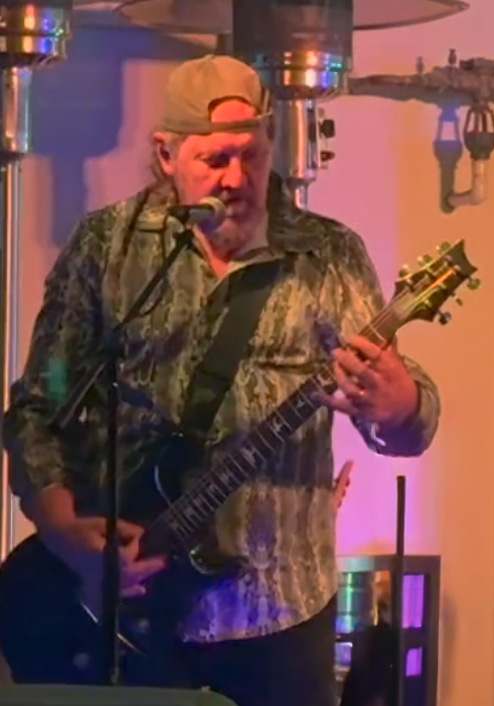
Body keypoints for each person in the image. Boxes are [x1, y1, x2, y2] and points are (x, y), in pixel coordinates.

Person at [2, 55, 441, 706]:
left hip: (277, 615)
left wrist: (398, 404)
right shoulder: (107, 247)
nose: (236, 178)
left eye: (251, 155)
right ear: (166, 153)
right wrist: (66, 535)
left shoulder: (327, 255)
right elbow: (40, 405)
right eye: (214, 159)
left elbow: (403, 414)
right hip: (119, 607)